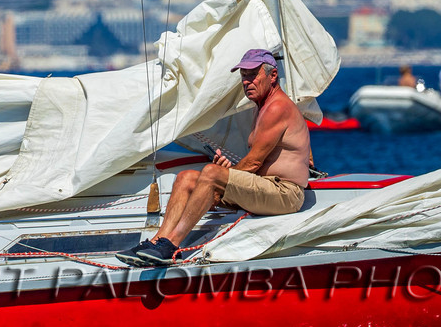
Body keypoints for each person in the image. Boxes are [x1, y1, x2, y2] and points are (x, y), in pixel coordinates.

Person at [118, 48, 310, 267]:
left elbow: (254, 162)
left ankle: (171, 246)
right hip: (265, 186)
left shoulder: (277, 107)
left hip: (285, 194)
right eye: (243, 76)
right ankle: (156, 242)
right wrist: (224, 180)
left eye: (253, 75)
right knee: (186, 178)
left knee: (210, 173)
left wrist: (221, 180)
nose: (247, 81)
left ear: (272, 75)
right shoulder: (263, 107)